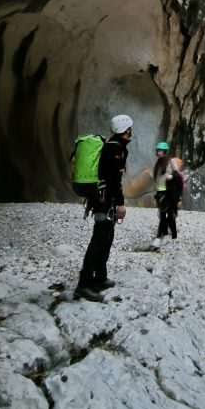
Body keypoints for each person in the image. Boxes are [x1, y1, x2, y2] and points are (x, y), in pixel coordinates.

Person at [75, 114, 131, 302]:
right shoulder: (114, 149)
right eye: (130, 129)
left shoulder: (116, 146)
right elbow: (114, 180)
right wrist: (121, 204)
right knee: (99, 238)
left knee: (106, 236)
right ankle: (83, 285)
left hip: (106, 199)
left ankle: (99, 277)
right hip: (104, 200)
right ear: (126, 130)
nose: (131, 132)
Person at [151, 143, 183, 249]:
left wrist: (171, 176)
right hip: (160, 192)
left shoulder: (171, 161)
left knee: (164, 214)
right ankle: (169, 235)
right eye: (158, 149)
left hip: (168, 192)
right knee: (164, 214)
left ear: (164, 151)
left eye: (160, 150)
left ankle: (159, 237)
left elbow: (177, 175)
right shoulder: (159, 162)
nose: (158, 151)